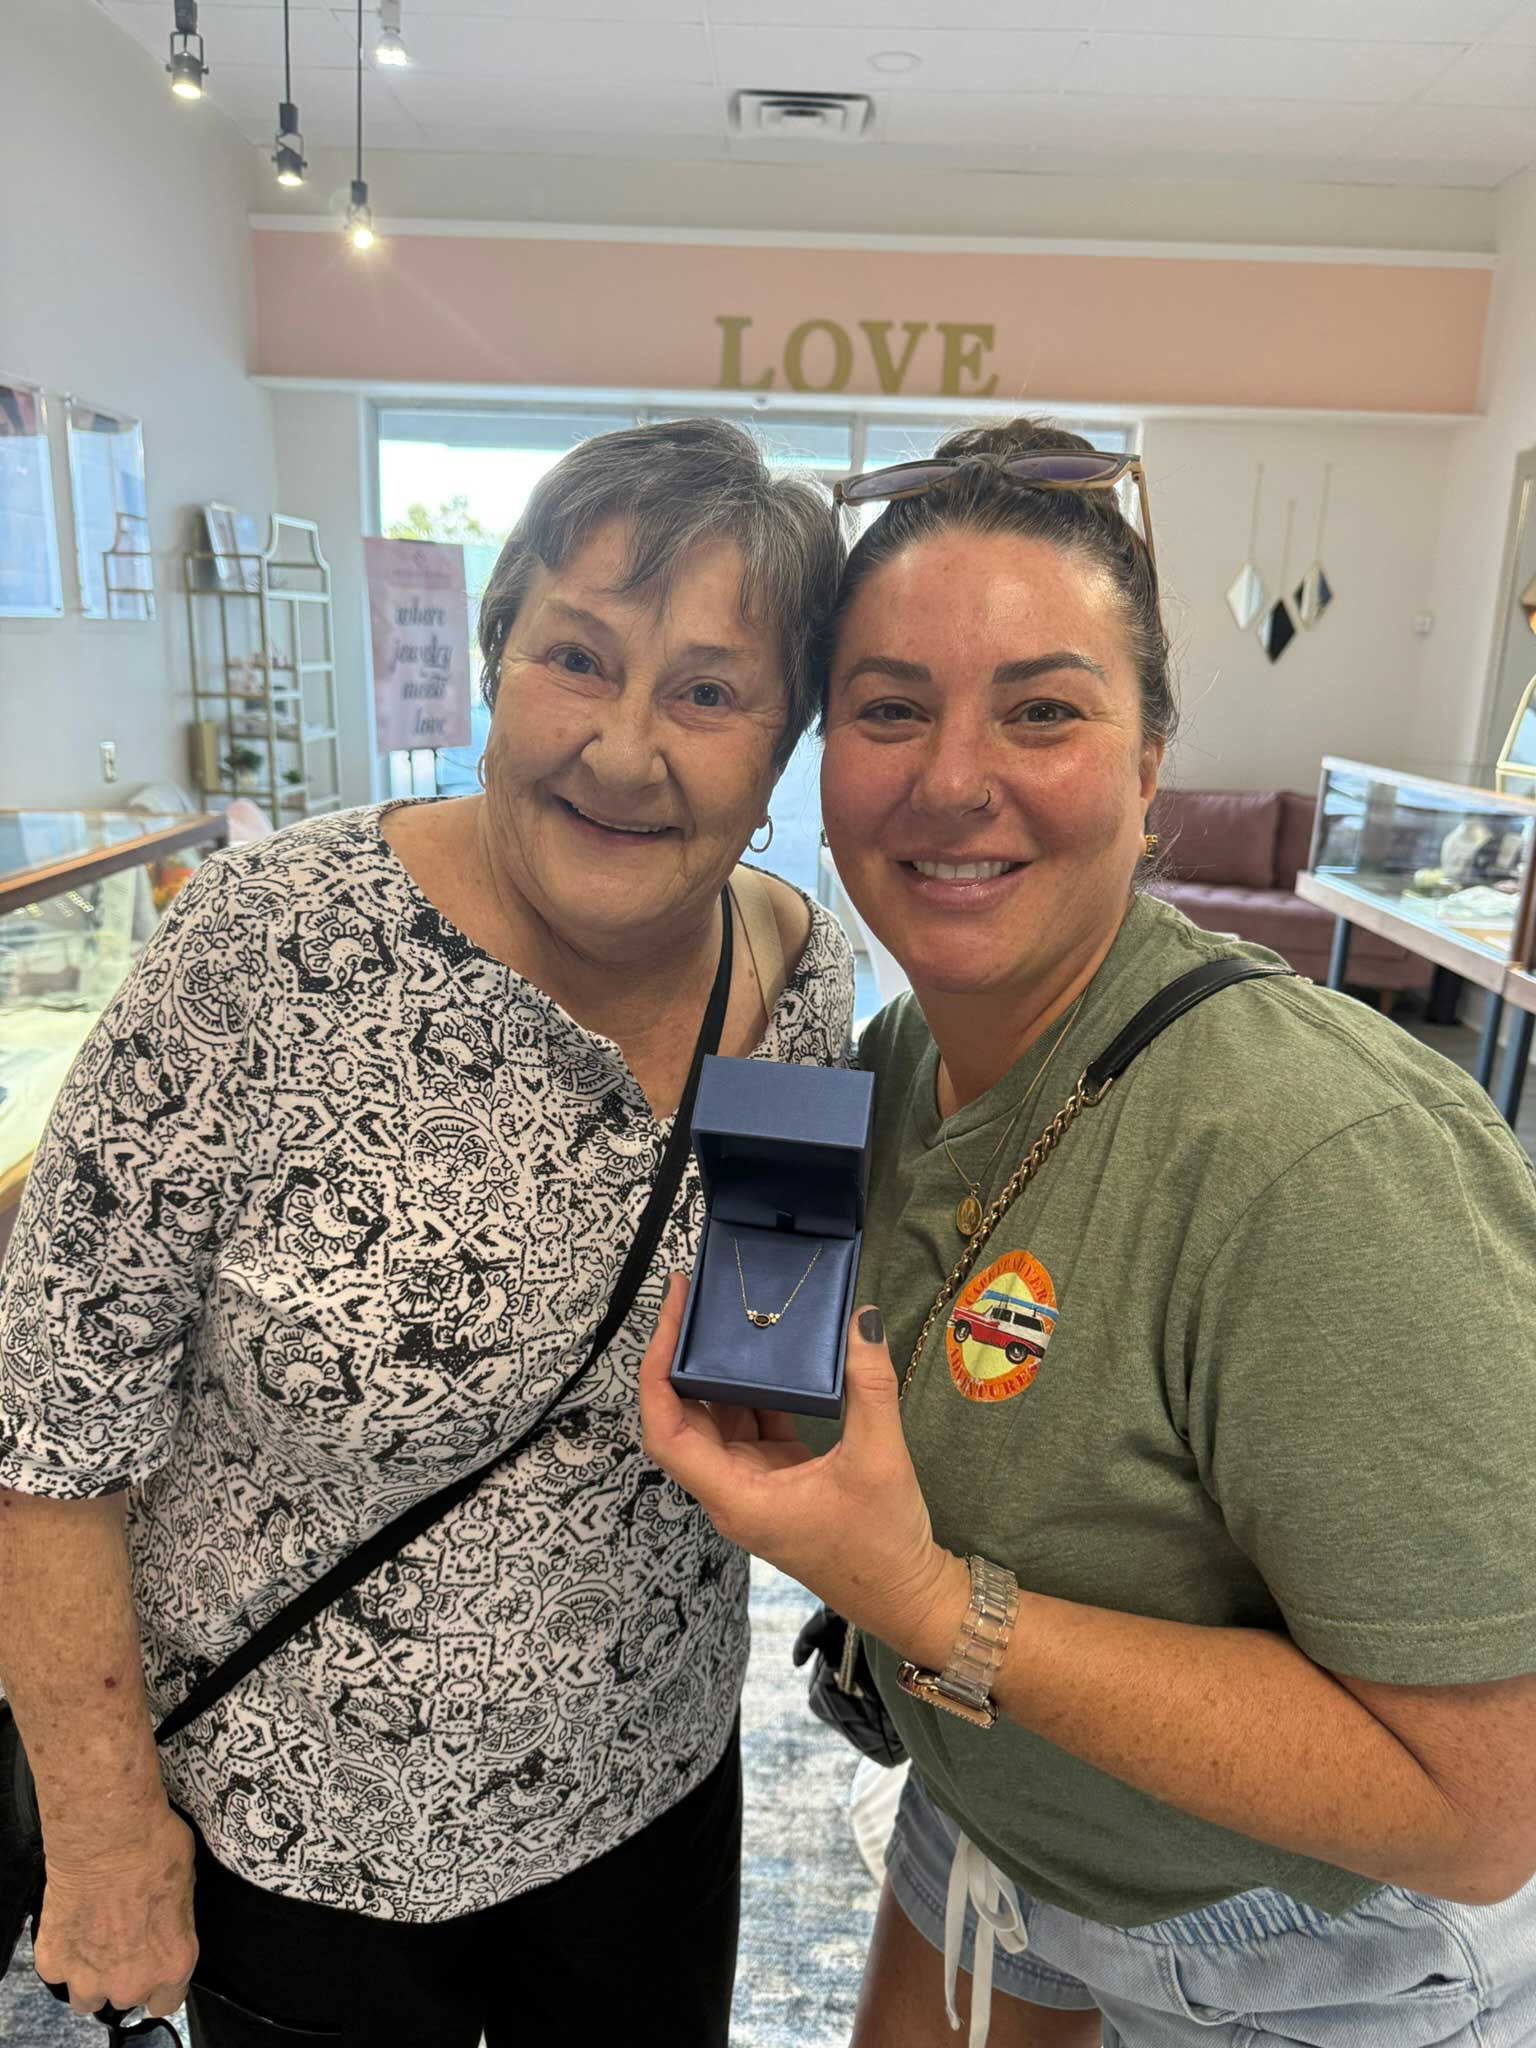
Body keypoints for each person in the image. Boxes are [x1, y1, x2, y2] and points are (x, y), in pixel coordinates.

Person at [638, 419, 1536, 2048]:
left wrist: (919, 1599)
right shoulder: (901, 1068)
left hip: (1285, 1950)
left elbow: (1482, 1809)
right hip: (998, 1829)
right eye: (889, 709)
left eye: (1042, 709)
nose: (952, 777)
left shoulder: (1319, 1158)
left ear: (1144, 769)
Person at [0, 416, 853, 2047]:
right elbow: (47, 1430)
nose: (622, 746)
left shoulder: (797, 977)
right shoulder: (260, 959)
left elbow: (773, 1327)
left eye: (708, 690)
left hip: (652, 1792)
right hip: (303, 1832)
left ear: (783, 739)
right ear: (490, 662)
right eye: (575, 658)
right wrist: (105, 1837)